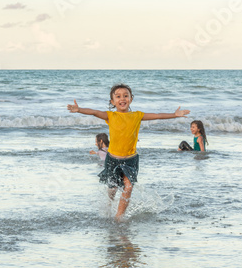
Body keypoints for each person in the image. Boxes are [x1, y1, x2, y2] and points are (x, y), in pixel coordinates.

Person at [68, 83, 190, 220]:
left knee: (129, 187)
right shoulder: (110, 116)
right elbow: (95, 112)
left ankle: (119, 217)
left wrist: (174, 115)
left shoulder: (137, 116)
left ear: (131, 99)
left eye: (126, 96)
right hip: (112, 159)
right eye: (118, 96)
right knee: (112, 188)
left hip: (130, 159)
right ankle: (108, 204)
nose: (122, 99)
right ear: (112, 102)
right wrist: (79, 110)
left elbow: (157, 115)